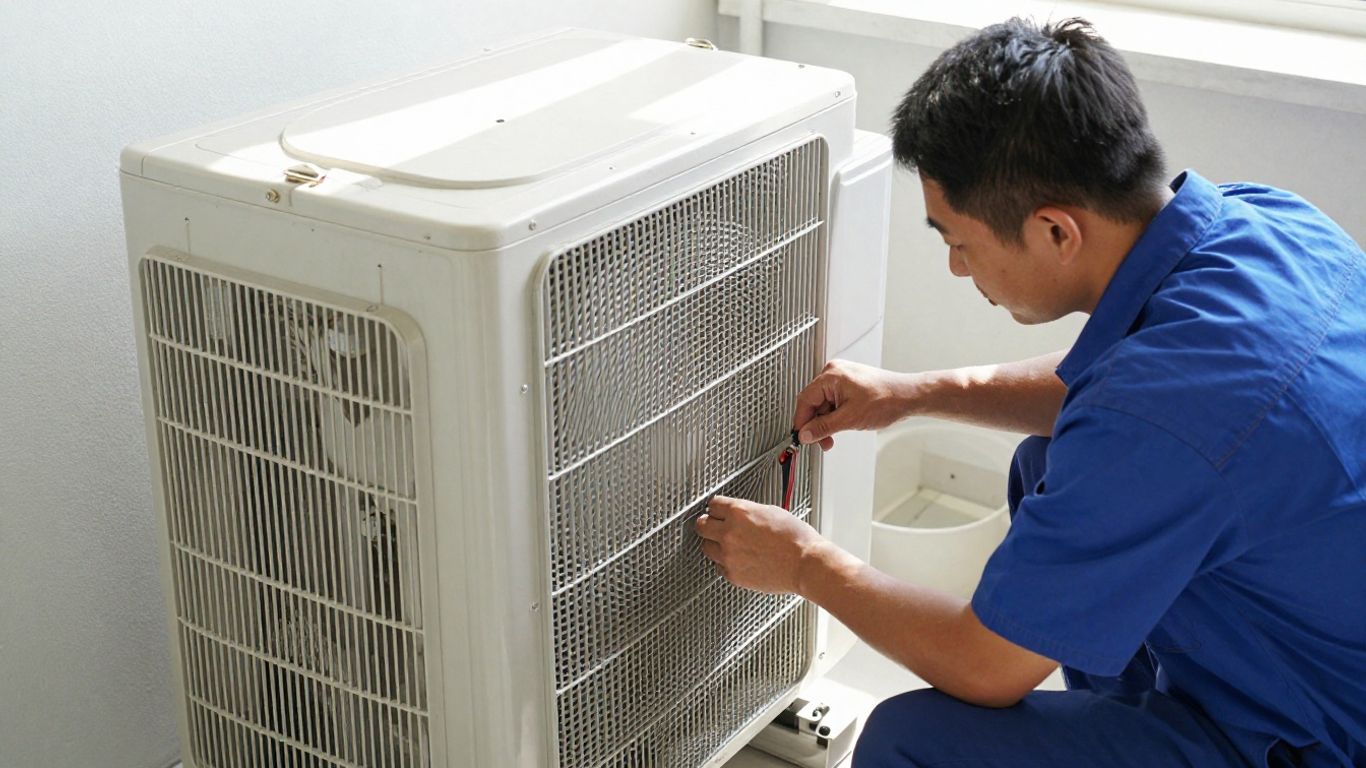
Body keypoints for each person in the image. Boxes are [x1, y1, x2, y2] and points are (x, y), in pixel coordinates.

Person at [695, 17, 1365, 768]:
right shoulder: (1269, 224)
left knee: (911, 743)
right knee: (1046, 464)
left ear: (1054, 230)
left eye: (958, 241)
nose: (956, 268)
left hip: (1326, 734)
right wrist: (910, 394)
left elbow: (984, 666)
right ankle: (1129, 717)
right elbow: (1131, 392)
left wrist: (805, 564)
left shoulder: (1164, 418)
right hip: (1319, 633)